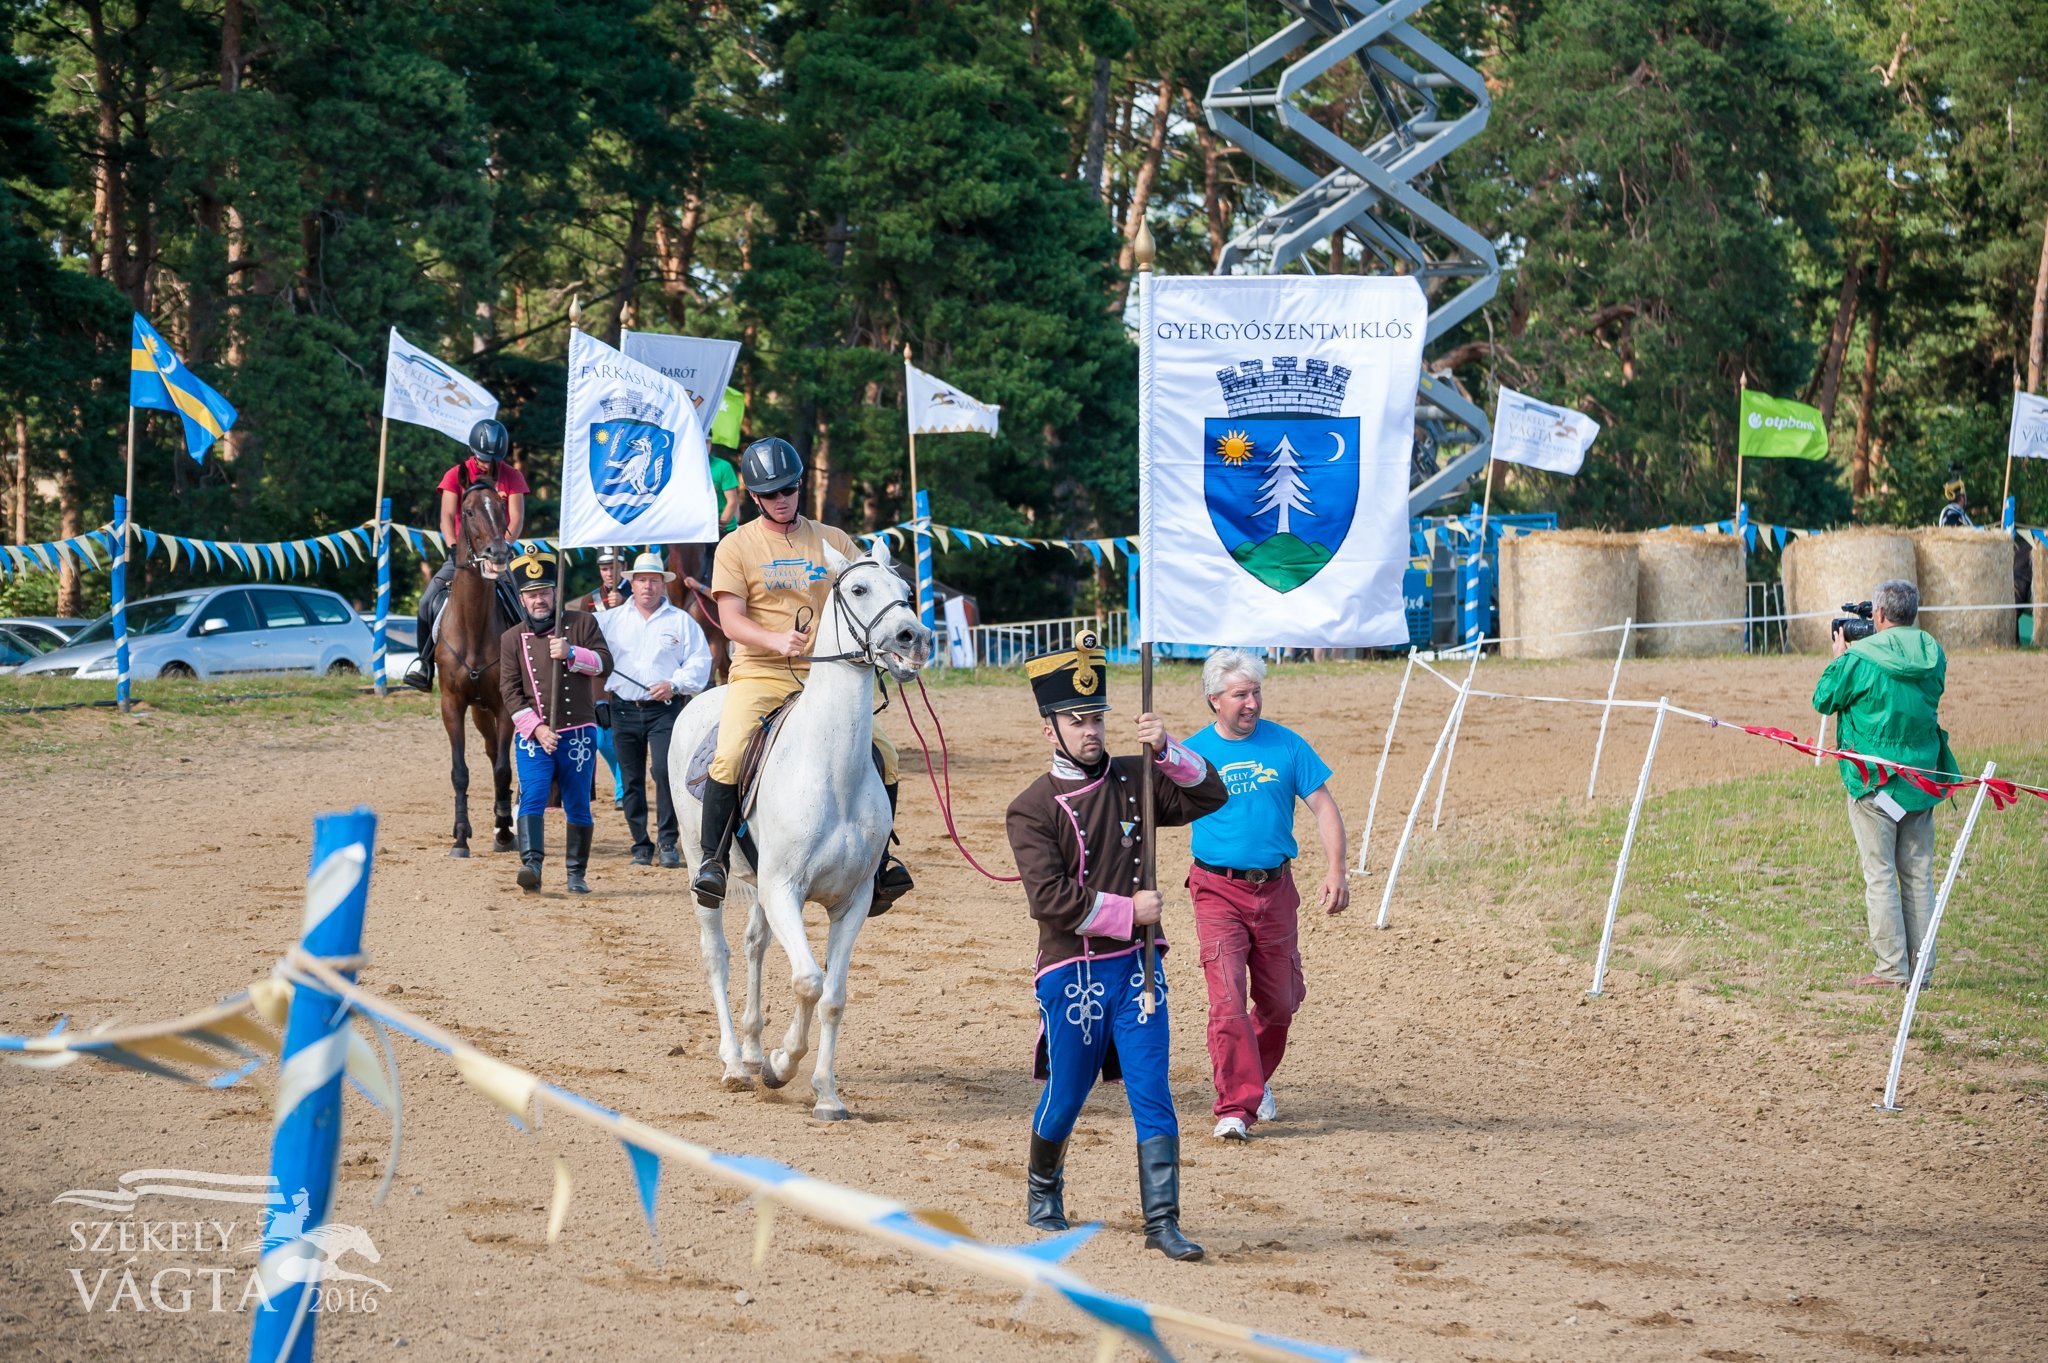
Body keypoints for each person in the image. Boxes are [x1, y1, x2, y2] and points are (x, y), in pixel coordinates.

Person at [1003, 631, 1227, 1262]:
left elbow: (1210, 796)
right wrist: (1132, 911)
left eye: (1097, 717)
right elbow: (1050, 901)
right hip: (1071, 973)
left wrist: (1168, 750)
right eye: (1077, 720)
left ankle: (1163, 1221)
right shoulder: (1030, 808)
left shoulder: (1136, 776)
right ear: (1050, 728)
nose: (1092, 730)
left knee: (1151, 1091)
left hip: (1139, 971)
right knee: (1067, 1093)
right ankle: (1043, 1190)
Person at [689, 436, 912, 911]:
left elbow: (868, 589)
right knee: (728, 756)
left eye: (788, 488)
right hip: (760, 673)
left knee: (887, 755)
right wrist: (774, 640)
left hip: (825, 677)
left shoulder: (833, 539)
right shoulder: (736, 546)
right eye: (771, 493)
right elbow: (729, 620)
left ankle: (880, 862)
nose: (782, 499)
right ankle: (713, 861)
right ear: (753, 497)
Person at [1181, 648, 1348, 1142]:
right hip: (1215, 889)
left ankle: (1253, 1074)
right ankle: (1235, 1107)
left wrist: (1336, 870)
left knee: (1280, 1004)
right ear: (1214, 700)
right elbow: (1144, 809)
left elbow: (1324, 808)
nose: (1251, 703)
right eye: (1240, 694)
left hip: (1275, 891)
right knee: (1228, 999)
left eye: (1256, 692)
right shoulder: (1193, 755)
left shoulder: (1288, 746)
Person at [1812, 579, 1959, 988]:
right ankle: (1922, 973)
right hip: (1923, 780)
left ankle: (1892, 970)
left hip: (1874, 782)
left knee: (1879, 875)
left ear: (1877, 615)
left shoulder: (1860, 659)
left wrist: (1840, 657)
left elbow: (1824, 698)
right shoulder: (1933, 653)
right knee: (1917, 876)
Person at [497, 550, 611, 894]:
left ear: (554, 593)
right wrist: (537, 728)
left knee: (577, 802)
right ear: (522, 599)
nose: (539, 599)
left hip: (578, 732)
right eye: (532, 594)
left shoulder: (581, 624)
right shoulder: (511, 638)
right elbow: (509, 690)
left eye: (544, 591)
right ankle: (531, 865)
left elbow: (606, 663)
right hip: (534, 735)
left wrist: (573, 653)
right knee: (531, 796)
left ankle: (577, 873)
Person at [597, 552, 714, 867]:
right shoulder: (608, 620)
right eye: (641, 580)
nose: (647, 586)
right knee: (631, 778)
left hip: (665, 709)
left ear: (662, 585)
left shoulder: (681, 622)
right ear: (631, 584)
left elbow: (700, 663)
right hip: (622, 709)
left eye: (653, 580)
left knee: (664, 772)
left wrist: (674, 684)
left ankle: (667, 841)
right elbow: (587, 649)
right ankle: (640, 843)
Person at [403, 418, 529, 691]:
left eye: (494, 458)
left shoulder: (512, 476)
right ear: (473, 452)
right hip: (463, 555)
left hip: (498, 555)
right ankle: (424, 665)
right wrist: (452, 546)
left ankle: (529, 666)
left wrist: (502, 546)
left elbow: (516, 517)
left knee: (523, 605)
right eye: (484, 457)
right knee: (427, 602)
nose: (488, 463)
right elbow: (447, 516)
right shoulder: (455, 475)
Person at [580, 550, 630, 808]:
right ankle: (622, 777)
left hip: (630, 672)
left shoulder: (636, 595)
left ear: (624, 566)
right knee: (601, 737)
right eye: (604, 568)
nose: (609, 573)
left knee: (624, 733)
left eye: (614, 566)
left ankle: (623, 788)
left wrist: (624, 604)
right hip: (600, 674)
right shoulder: (590, 599)